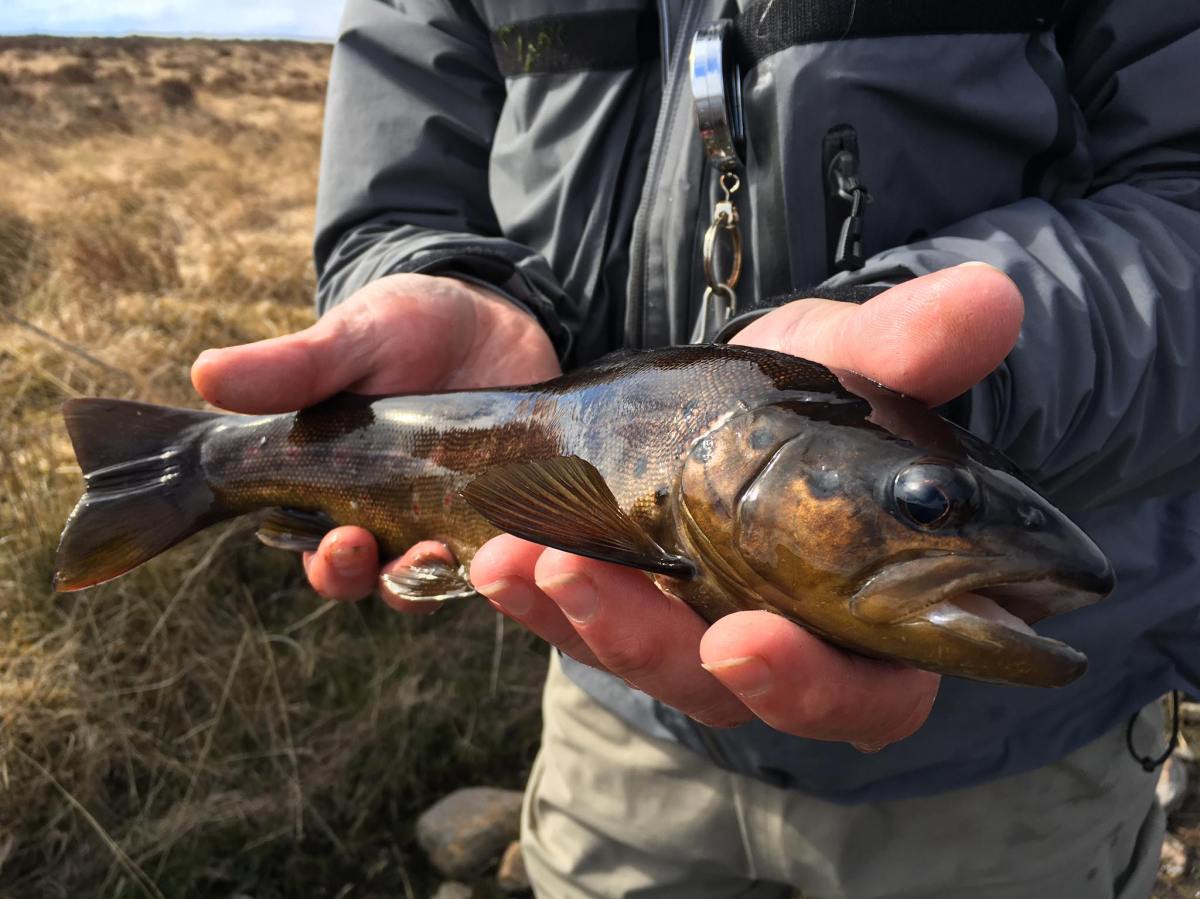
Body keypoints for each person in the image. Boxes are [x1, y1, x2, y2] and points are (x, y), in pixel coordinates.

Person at [191, 2, 1200, 896]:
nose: (931, 511)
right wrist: (432, 274)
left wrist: (972, 392)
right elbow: (402, 185)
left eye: (926, 504)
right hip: (608, 689)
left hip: (1013, 770)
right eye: (930, 503)